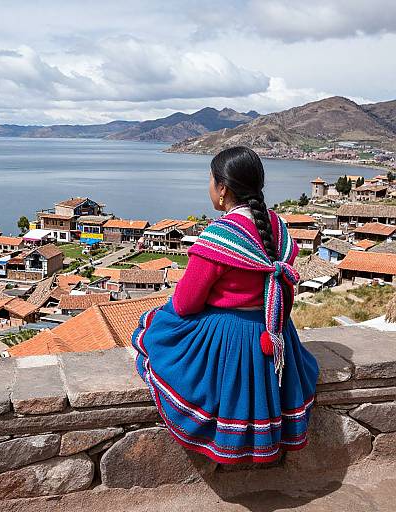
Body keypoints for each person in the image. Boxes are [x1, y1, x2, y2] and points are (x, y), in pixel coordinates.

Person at [132, 146, 319, 465]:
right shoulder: (277, 227)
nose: (209, 187)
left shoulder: (220, 237)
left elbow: (187, 303)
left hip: (232, 340)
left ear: (222, 188)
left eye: (210, 180)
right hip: (275, 332)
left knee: (156, 327)